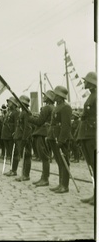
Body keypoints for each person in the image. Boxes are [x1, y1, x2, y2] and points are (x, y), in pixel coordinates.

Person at [47, 86, 73, 194]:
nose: (54, 96)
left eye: (56, 95)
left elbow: (66, 126)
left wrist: (61, 140)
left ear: (60, 96)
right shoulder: (58, 106)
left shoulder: (66, 107)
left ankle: (65, 185)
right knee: (59, 161)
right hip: (54, 136)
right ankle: (60, 183)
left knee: (64, 161)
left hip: (61, 138)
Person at [28, 90, 55, 187]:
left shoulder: (46, 107)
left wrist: (29, 118)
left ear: (49, 98)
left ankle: (45, 179)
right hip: (47, 133)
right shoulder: (52, 107)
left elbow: (39, 122)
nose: (43, 97)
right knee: (46, 157)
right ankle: (44, 177)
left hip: (42, 133)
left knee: (44, 157)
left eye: (45, 96)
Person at [77, 72, 96, 205]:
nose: (84, 83)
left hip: (92, 134)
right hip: (86, 134)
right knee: (91, 166)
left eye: (86, 81)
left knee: (96, 165)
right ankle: (95, 193)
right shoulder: (91, 96)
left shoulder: (96, 97)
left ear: (91, 83)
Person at [12, 95, 33, 182]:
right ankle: (24, 174)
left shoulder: (26, 113)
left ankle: (26, 175)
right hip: (20, 137)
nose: (18, 104)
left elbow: (27, 128)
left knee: (27, 156)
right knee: (24, 156)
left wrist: (25, 139)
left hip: (25, 138)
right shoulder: (22, 112)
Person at [2, 97, 20, 176]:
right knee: (9, 153)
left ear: (14, 104)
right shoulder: (8, 112)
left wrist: (15, 133)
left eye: (10, 102)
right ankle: (11, 169)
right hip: (6, 135)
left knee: (14, 153)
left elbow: (17, 125)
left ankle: (14, 170)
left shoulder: (16, 112)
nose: (8, 103)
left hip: (11, 135)